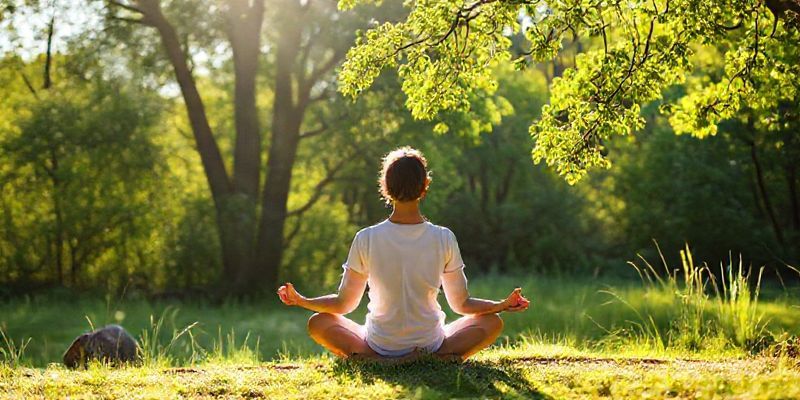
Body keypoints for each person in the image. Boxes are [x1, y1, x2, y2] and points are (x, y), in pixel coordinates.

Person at [277, 147, 530, 361]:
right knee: (492, 322)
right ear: (425, 186)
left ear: (385, 187)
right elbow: (461, 305)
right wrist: (501, 306)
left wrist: (302, 300)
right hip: (430, 344)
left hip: (379, 345)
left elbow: (344, 304)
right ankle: (433, 359)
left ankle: (379, 362)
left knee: (318, 323)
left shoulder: (366, 238)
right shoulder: (444, 237)